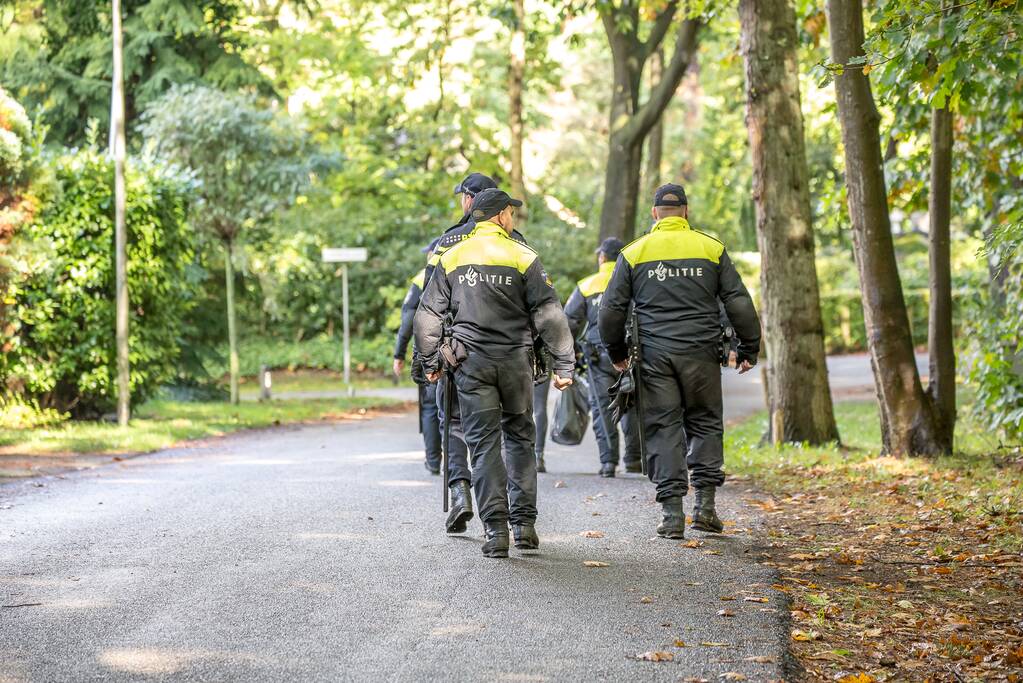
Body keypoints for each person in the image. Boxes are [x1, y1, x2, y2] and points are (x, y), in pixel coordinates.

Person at [415, 188, 576, 558]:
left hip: (471, 366)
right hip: (516, 362)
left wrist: (431, 363)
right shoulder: (523, 256)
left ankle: (496, 532)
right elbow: (549, 313)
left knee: (484, 444)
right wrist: (564, 364)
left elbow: (428, 315)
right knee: (519, 439)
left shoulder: (452, 256)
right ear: (502, 216)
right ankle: (525, 526)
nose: (512, 218)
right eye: (511, 213)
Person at [598, 183, 761, 539]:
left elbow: (610, 309)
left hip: (654, 357)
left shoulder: (634, 252)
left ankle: (672, 514)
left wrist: (617, 353)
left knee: (663, 426)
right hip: (702, 354)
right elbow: (738, 300)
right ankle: (705, 507)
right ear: (686, 212)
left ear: (655, 213)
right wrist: (749, 347)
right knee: (704, 423)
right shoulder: (711, 248)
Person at [564, 237, 643, 478]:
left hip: (598, 356)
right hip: (630, 354)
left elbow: (569, 322)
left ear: (602, 258)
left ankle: (608, 462)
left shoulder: (587, 285)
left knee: (602, 407)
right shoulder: (634, 283)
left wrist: (569, 355)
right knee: (631, 404)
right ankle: (633, 459)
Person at [393, 242, 442, 475]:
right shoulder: (461, 270)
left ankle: (433, 460)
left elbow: (408, 320)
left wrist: (399, 353)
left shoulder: (422, 278)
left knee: (431, 406)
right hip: (459, 349)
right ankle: (457, 466)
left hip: (428, 349)